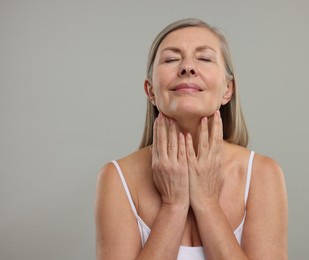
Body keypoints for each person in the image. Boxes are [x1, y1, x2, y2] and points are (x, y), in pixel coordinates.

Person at [95, 18, 288, 260]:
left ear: (228, 90)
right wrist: (173, 206)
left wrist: (207, 202)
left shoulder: (261, 173)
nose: (187, 67)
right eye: (171, 59)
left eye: (204, 58)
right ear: (151, 91)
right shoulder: (117, 178)